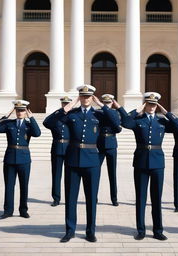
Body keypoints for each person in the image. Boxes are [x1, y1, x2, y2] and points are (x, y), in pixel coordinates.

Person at [53, 85, 121, 243]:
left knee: (91, 198)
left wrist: (103, 105)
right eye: (82, 96)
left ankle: (91, 231)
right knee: (70, 198)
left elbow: (117, 126)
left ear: (92, 98)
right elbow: (50, 122)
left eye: (88, 96)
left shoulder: (99, 114)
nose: (85, 99)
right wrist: (69, 105)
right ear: (79, 97)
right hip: (72, 160)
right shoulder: (72, 114)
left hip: (92, 161)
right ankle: (70, 230)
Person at [114, 92, 170, 241]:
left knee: (156, 198)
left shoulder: (162, 122)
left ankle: (158, 230)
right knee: (141, 197)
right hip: (141, 161)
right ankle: (141, 230)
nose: (152, 107)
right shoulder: (138, 121)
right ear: (145, 105)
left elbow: (177, 126)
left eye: (154, 105)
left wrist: (165, 111)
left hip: (158, 162)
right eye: (149, 104)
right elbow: (125, 122)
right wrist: (138, 109)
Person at [0, 100, 41, 219]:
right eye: (18, 110)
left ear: (26, 111)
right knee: (9, 185)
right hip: (9, 158)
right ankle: (8, 210)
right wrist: (7, 114)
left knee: (24, 185)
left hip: (24, 159)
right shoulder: (10, 123)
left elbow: (37, 133)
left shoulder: (29, 125)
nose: (20, 112)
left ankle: (23, 210)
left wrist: (32, 118)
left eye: (22, 110)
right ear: (15, 111)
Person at [43, 96, 72, 207]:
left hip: (69, 148)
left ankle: (69, 197)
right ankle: (56, 198)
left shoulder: (73, 116)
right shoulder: (56, 117)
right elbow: (46, 122)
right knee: (56, 174)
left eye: (67, 103)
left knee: (70, 176)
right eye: (64, 104)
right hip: (57, 148)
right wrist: (59, 112)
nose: (65, 105)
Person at [97, 94, 122, 206]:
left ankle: (114, 198)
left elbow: (117, 128)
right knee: (95, 173)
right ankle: (94, 196)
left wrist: (107, 109)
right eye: (105, 103)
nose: (107, 105)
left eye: (109, 103)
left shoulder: (115, 113)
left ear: (112, 103)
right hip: (99, 144)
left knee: (112, 173)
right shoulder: (98, 112)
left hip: (111, 145)